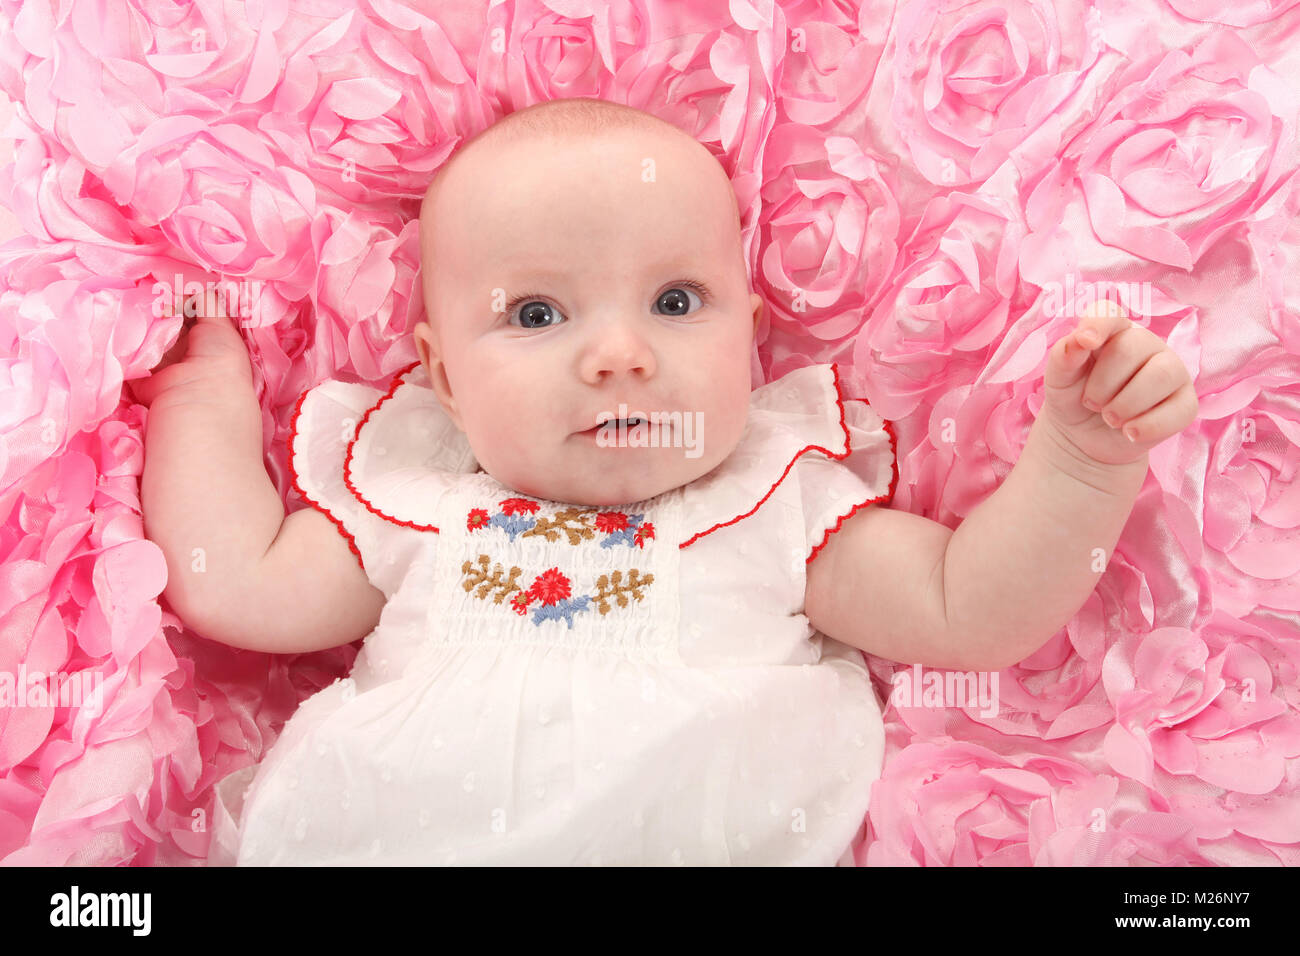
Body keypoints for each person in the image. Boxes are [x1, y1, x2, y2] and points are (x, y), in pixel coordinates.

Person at [134, 98, 1199, 865]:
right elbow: (236, 584)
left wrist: (1078, 460)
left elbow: (967, 609)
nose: (619, 356)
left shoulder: (779, 499)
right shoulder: (418, 500)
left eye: (677, 302)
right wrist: (203, 396)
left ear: (753, 336)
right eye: (539, 315)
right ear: (445, 380)